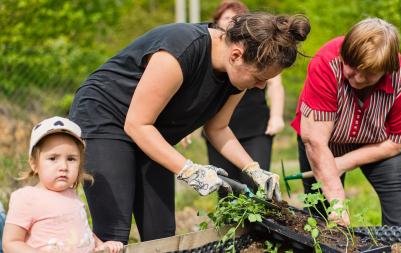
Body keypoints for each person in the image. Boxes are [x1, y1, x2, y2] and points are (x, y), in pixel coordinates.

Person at [68, 13, 310, 243]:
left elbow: (218, 128)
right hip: (106, 118)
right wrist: (189, 170)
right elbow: (137, 124)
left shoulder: (236, 75)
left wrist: (253, 168)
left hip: (152, 130)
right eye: (258, 78)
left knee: (161, 233)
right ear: (236, 55)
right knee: (114, 232)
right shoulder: (181, 49)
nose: (261, 86)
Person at [291, 18, 401, 226]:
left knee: (400, 209)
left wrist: (344, 162)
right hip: (325, 142)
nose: (358, 79)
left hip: (380, 144)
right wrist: (337, 203)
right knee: (321, 214)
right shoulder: (326, 64)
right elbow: (315, 141)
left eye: (368, 74)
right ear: (343, 54)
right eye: (351, 67)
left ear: (386, 70)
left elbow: (397, 141)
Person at [2, 117, 123, 253]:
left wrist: (100, 245)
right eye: (53, 158)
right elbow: (10, 243)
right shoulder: (27, 197)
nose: (64, 166)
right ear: (34, 163)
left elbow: (82, 232)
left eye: (71, 159)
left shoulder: (72, 195)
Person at [203, 0, 286, 192]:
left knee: (256, 183)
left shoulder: (261, 51)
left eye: (237, 19)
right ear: (216, 22)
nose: (232, 22)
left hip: (254, 123)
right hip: (217, 123)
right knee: (226, 186)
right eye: (227, 18)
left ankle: (258, 222)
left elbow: (275, 84)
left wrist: (276, 116)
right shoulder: (211, 54)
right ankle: (232, 223)